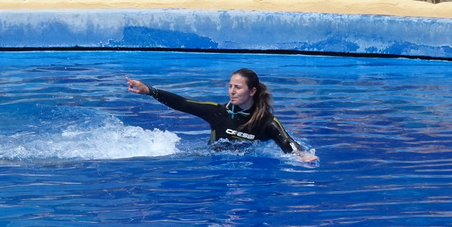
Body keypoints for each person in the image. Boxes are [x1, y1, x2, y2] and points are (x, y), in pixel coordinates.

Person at [126, 68, 316, 161]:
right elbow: (183, 103)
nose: (232, 91)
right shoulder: (217, 112)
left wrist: (302, 155)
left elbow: (287, 142)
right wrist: (150, 91)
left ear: (252, 91)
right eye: (230, 86)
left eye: (238, 87)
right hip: (210, 160)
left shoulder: (266, 122)